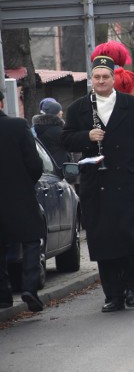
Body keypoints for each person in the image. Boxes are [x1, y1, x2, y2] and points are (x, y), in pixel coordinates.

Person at [62, 42, 134, 312]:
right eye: (97, 77)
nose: (101, 81)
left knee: (128, 237)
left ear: (114, 78)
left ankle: (131, 283)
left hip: (128, 182)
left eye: (106, 77)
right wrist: (86, 136)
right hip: (96, 185)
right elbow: (66, 138)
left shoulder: (130, 105)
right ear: (91, 79)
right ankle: (112, 295)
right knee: (103, 240)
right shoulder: (79, 109)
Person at [0, 90, 46, 312]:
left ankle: (3, 294)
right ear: (2, 103)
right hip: (19, 196)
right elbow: (35, 164)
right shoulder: (18, 126)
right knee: (31, 241)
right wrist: (26, 182)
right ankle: (29, 288)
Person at [32, 99, 71, 167]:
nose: (62, 112)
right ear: (56, 113)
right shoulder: (57, 130)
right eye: (60, 110)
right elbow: (70, 144)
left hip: (47, 164)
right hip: (59, 165)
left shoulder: (39, 127)